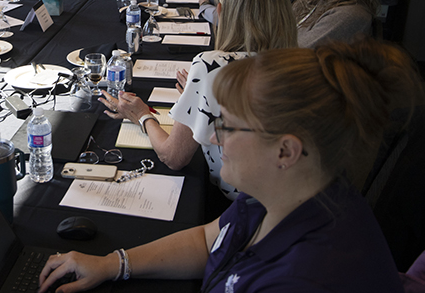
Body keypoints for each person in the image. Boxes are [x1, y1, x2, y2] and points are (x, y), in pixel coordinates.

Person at [39, 38, 418, 293]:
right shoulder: (292, 192)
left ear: (285, 151)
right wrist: (112, 264)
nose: (213, 138)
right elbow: (209, 239)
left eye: (228, 126)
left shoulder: (303, 277)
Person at [100, 0, 296, 199]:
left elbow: (173, 157)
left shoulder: (212, 65)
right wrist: (199, 92)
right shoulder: (298, 64)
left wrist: (142, 116)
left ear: (221, 12)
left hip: (235, 203)